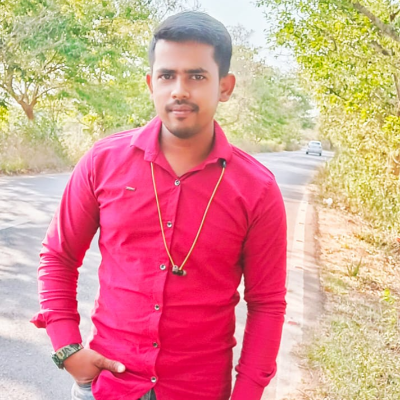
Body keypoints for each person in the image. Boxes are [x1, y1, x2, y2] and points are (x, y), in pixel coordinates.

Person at [31, 11, 287, 400]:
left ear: (225, 86)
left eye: (197, 76)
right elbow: (58, 256)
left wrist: (248, 393)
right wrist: (67, 347)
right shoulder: (104, 161)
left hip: (198, 390)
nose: (179, 90)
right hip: (108, 387)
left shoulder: (257, 189)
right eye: (167, 76)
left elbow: (266, 304)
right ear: (151, 83)